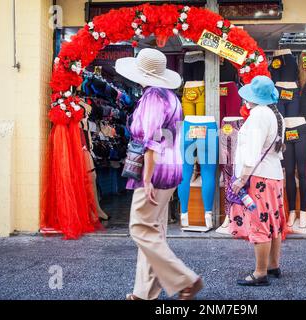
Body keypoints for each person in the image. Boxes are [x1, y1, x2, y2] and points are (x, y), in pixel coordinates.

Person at [116, 48, 203, 300]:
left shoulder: (152, 96)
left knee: (140, 228)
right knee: (153, 231)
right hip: (172, 166)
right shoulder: (171, 97)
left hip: (154, 170)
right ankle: (144, 292)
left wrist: (146, 176)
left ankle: (185, 280)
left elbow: (152, 139)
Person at [229, 75, 287, 286]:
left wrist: (241, 178)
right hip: (273, 176)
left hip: (258, 177)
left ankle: (260, 273)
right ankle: (273, 266)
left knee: (260, 224)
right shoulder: (276, 114)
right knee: (274, 224)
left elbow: (252, 152)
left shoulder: (258, 116)